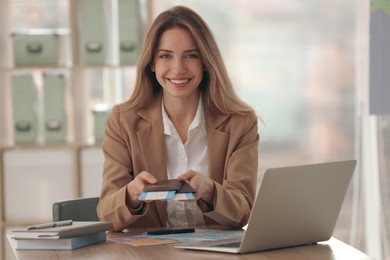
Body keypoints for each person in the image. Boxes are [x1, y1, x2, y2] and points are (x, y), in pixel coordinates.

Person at [97, 5, 259, 232]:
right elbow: (107, 216)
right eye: (165, 56)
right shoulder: (123, 121)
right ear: (152, 63)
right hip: (150, 255)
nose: (178, 68)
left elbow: (242, 211)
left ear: (205, 61)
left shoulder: (240, 122)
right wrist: (132, 194)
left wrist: (211, 191)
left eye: (191, 56)